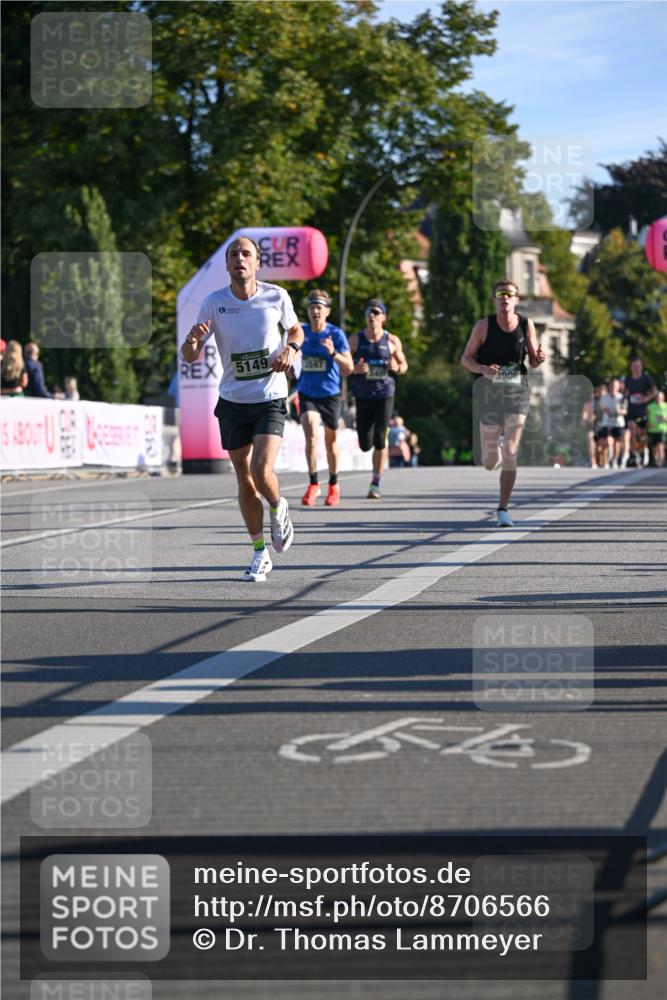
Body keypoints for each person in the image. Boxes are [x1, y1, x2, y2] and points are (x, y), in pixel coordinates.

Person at [181, 236, 304, 582]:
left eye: (246, 254)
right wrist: (191, 341)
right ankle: (259, 553)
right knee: (244, 478)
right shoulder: (213, 303)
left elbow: (295, 330)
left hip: (269, 396)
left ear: (257, 262)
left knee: (262, 470)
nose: (239, 259)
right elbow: (188, 355)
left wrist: (290, 350)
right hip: (233, 400)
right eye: (233, 254)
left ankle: (279, 508)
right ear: (227, 265)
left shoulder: (276, 297)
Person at [460, 279, 546, 526]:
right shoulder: (483, 326)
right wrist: (482, 369)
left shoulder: (526, 324)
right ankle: (495, 445)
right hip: (489, 394)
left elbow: (533, 360)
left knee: (511, 450)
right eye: (500, 294)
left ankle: (503, 509)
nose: (505, 298)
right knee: (489, 463)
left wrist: (539, 358)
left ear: (516, 300)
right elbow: (465, 359)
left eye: (510, 294)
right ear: (495, 300)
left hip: (517, 393)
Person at [295, 289, 353, 506]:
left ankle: (333, 484)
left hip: (330, 394)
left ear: (327, 311)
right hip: (307, 391)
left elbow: (348, 367)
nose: (315, 311)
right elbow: (291, 357)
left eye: (319, 307)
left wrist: (332, 353)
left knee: (331, 443)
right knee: (310, 434)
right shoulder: (301, 332)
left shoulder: (336, 335)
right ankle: (313, 484)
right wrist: (291, 365)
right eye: (311, 307)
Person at [348, 299, 408, 498]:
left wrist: (396, 367)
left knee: (381, 438)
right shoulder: (355, 340)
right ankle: (370, 444)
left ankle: (375, 482)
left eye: (375, 312)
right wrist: (354, 369)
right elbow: (343, 367)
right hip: (362, 394)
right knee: (365, 443)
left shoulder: (392, 341)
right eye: (368, 313)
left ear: (384, 317)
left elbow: (404, 366)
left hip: (385, 393)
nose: (371, 316)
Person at [623, 357, 657, 468]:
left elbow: (654, 391)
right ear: (631, 368)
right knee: (632, 428)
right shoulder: (628, 379)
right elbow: (626, 392)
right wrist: (625, 397)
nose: (636, 368)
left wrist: (646, 398)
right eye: (634, 366)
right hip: (632, 409)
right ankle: (633, 455)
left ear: (641, 367)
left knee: (642, 435)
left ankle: (643, 454)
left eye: (638, 366)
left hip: (642, 410)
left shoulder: (646, 378)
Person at [599, 377, 626, 468]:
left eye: (615, 385)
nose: (613, 387)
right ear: (609, 386)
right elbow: (601, 408)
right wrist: (605, 410)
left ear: (618, 387)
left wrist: (619, 411)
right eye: (612, 385)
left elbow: (625, 411)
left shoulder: (622, 397)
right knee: (607, 441)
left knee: (617, 443)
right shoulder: (604, 397)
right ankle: (607, 460)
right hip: (607, 422)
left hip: (618, 423)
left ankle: (615, 460)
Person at [646, 389, 667, 467]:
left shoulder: (666, 406)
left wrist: (665, 419)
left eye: (660, 397)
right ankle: (656, 460)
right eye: (657, 397)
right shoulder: (650, 406)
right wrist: (648, 423)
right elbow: (647, 417)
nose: (658, 398)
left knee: (660, 444)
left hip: (662, 429)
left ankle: (661, 461)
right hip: (652, 429)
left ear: (663, 398)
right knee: (654, 446)